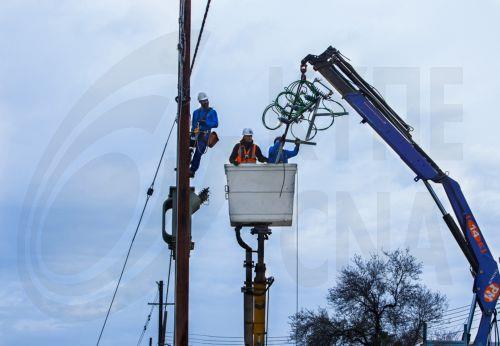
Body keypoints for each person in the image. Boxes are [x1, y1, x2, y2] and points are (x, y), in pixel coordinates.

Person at [189, 92, 218, 177]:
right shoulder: (196, 112)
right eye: (203, 101)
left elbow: (216, 124)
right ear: (200, 102)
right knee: (185, 147)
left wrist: (206, 122)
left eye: (206, 100)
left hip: (204, 136)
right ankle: (184, 165)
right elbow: (194, 125)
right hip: (196, 134)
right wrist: (193, 133)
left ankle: (192, 170)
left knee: (198, 152)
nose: (205, 102)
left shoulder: (212, 112)